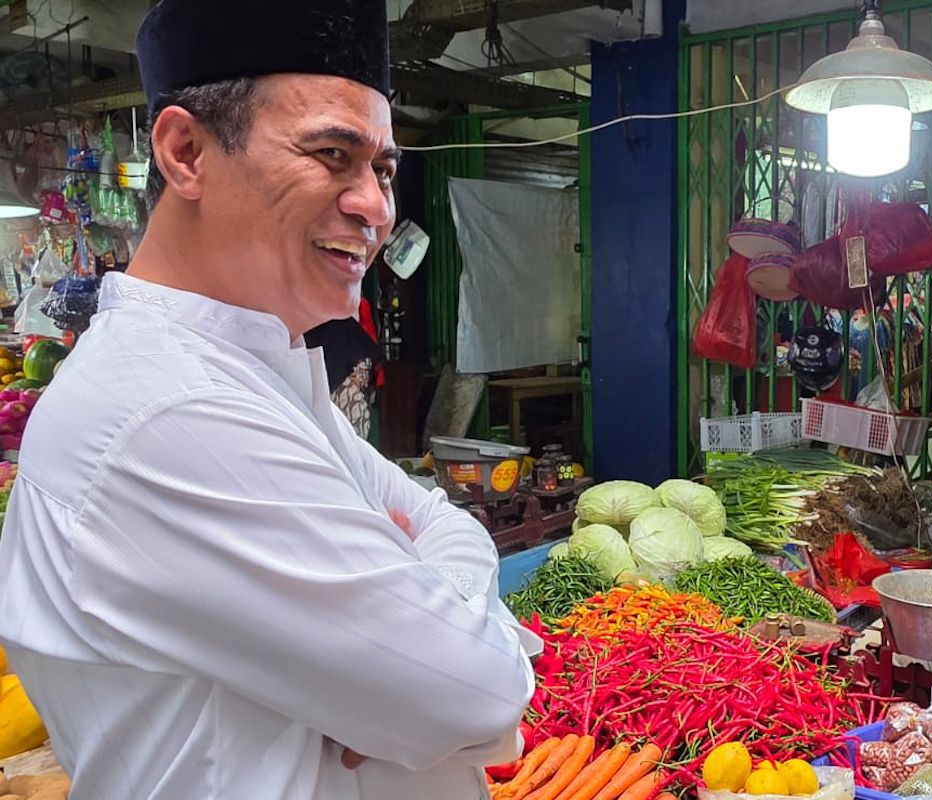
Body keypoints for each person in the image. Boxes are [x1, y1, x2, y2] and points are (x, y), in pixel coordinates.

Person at [0, 1, 538, 798]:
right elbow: (478, 697)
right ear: (186, 152)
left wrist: (428, 575)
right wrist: (437, 614)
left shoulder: (250, 371)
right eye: (331, 153)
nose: (376, 207)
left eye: (384, 168)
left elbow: (435, 517)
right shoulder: (171, 410)